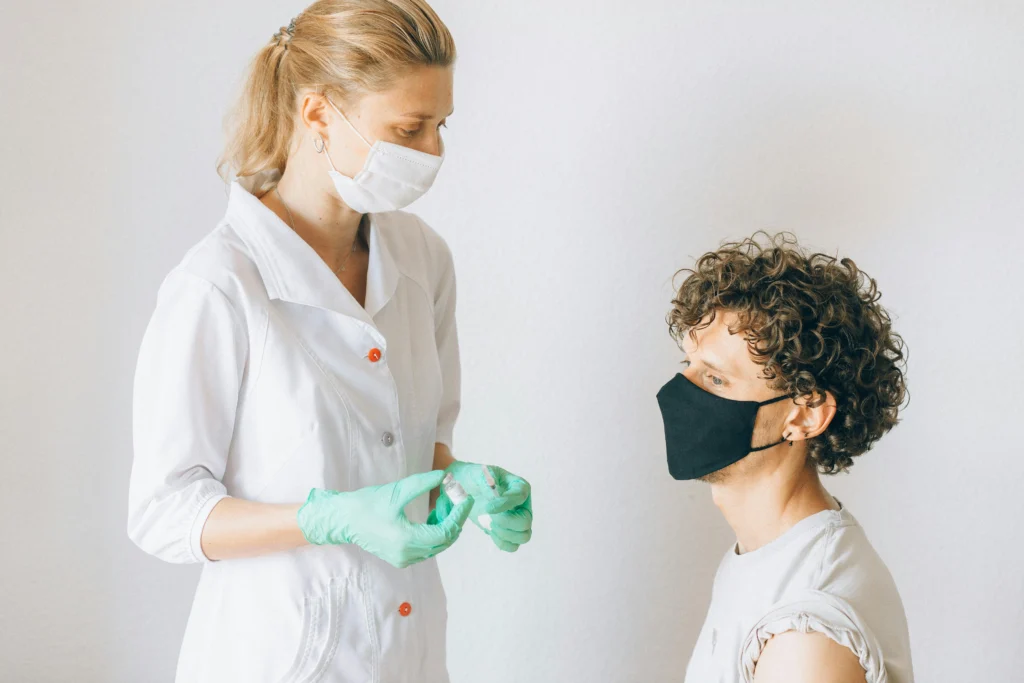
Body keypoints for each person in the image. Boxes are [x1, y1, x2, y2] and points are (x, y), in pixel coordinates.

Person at [127, 2, 532, 681]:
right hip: (277, 655)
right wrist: (326, 519)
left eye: (440, 126)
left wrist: (459, 482)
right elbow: (163, 512)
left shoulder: (422, 260)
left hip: (408, 650)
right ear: (318, 115)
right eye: (409, 128)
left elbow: (416, 443)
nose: (433, 151)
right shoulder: (220, 285)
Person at [657, 232, 912, 683]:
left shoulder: (807, 634)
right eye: (688, 366)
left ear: (806, 414)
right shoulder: (770, 555)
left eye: (716, 380)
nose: (683, 393)